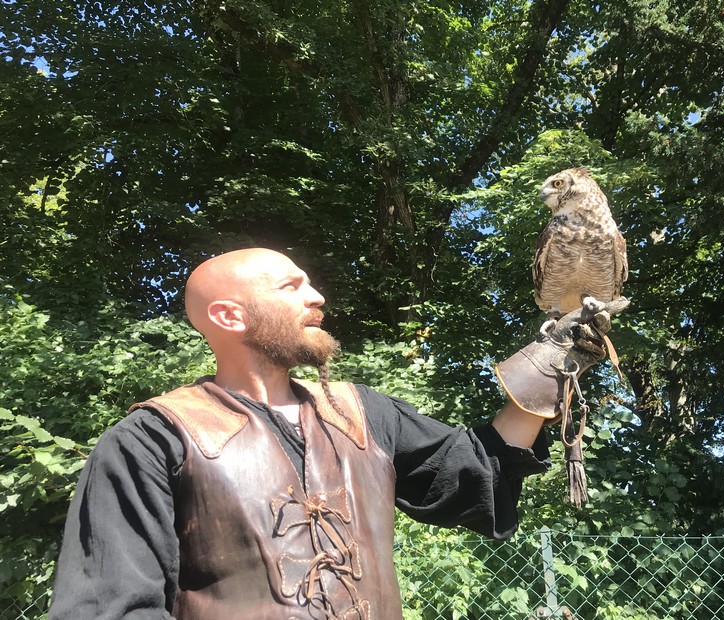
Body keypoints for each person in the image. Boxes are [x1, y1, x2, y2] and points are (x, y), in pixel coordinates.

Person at [49, 248, 621, 620]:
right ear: (228, 316)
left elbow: (475, 470)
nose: (315, 294)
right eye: (290, 285)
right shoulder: (152, 438)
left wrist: (553, 367)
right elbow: (110, 608)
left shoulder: (359, 413)